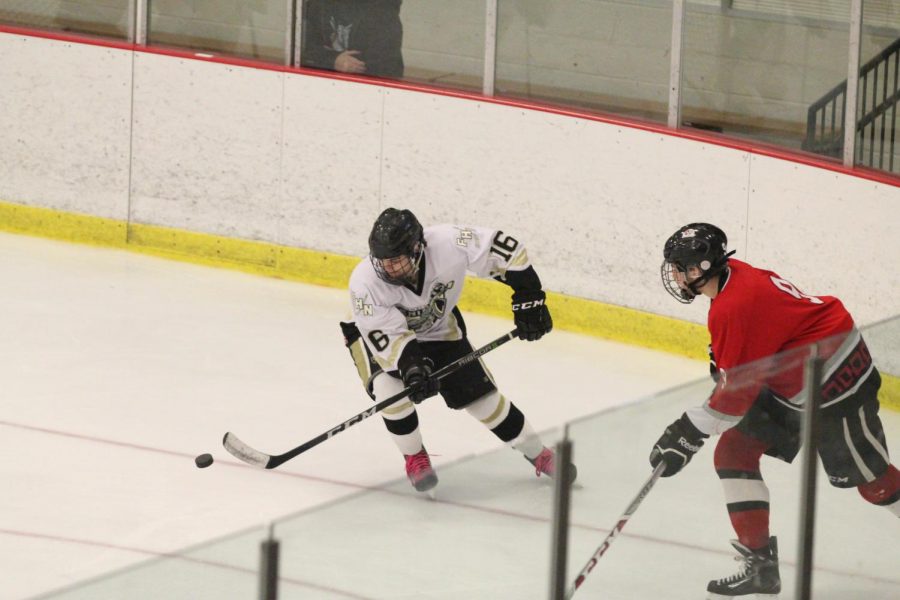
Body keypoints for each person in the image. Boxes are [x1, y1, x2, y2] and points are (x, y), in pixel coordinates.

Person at [649, 223, 899, 598]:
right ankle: (762, 568)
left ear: (702, 267)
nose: (676, 275)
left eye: (681, 267)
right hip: (793, 377)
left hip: (835, 380)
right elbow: (752, 355)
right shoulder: (733, 280)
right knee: (734, 453)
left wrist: (686, 433)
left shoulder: (732, 306)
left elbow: (733, 400)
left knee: (872, 481)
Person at [340, 207, 576, 493]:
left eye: (396, 261)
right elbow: (389, 339)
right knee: (391, 393)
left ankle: (540, 454)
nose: (387, 268)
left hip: (439, 329)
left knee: (483, 399)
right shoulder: (364, 283)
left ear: (417, 248)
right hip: (375, 336)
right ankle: (415, 457)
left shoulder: (451, 240)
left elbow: (508, 250)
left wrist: (529, 299)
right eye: (382, 261)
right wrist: (414, 368)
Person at [302, 0, 404, 79]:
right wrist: (332, 60)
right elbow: (303, 47)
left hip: (372, 88)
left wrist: (326, 57)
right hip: (324, 83)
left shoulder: (383, 11)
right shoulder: (318, 5)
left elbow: (385, 64)